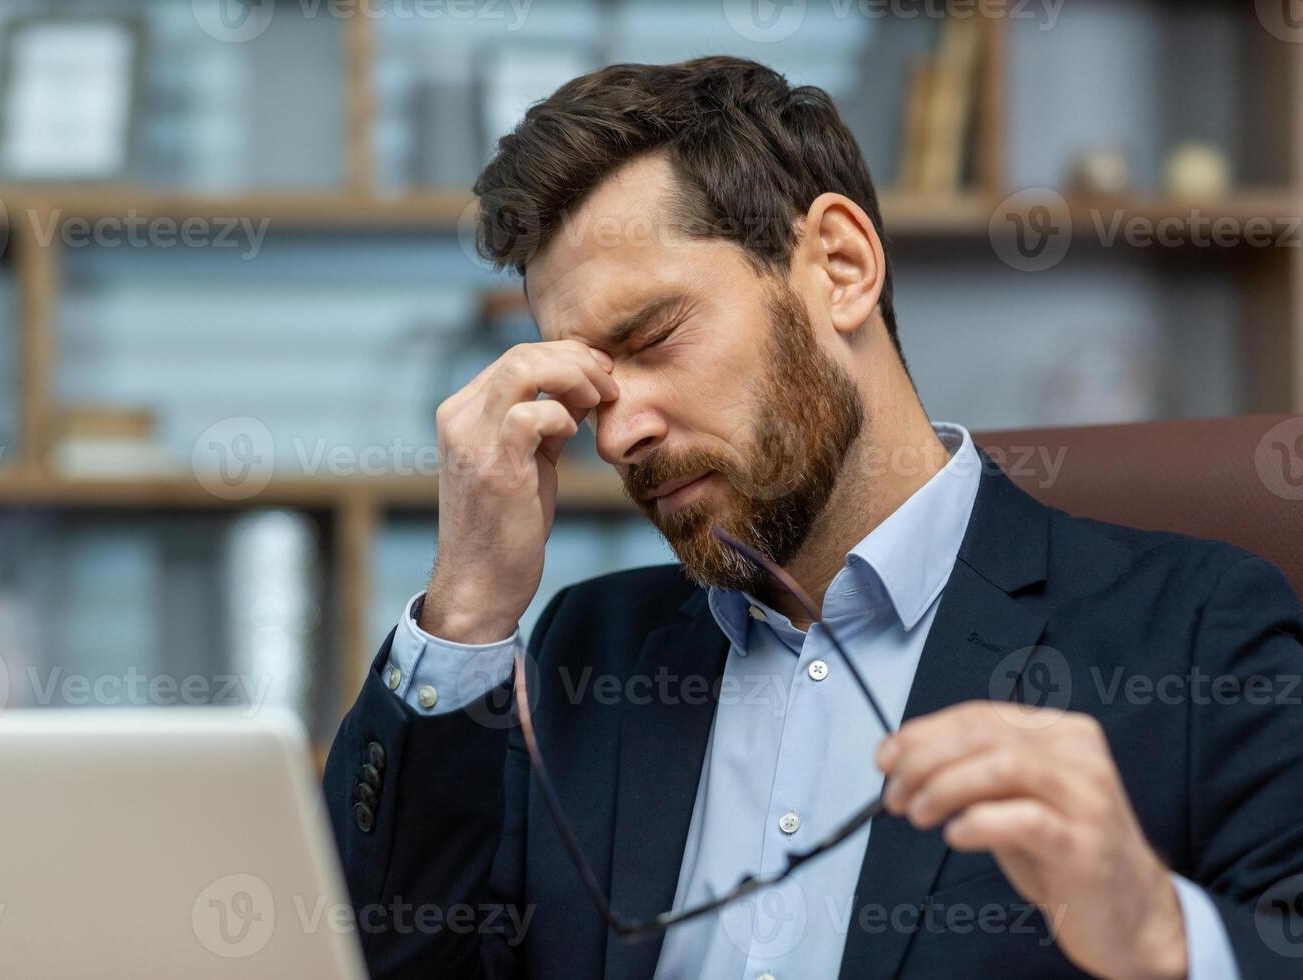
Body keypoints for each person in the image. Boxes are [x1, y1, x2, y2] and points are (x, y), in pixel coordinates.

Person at [324, 57, 1303, 979]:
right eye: (590, 385)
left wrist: (1156, 929)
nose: (616, 433)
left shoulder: (1199, 633)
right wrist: (466, 609)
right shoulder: (589, 653)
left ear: (840, 263)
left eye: (654, 335)